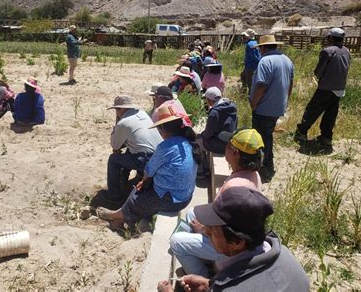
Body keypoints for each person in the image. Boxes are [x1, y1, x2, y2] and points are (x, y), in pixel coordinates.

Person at [160, 186, 310, 292]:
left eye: (212, 231)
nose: (205, 231)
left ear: (237, 242)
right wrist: (210, 284)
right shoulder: (285, 255)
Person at [171, 128, 264, 277]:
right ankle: (201, 256)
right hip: (236, 234)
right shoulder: (253, 175)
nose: (224, 147)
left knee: (176, 241)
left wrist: (204, 230)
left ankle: (204, 278)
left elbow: (228, 230)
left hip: (229, 246)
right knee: (191, 213)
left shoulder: (234, 187)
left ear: (235, 153)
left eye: (228, 145)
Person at [96, 103, 199, 230]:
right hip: (186, 196)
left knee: (137, 195)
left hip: (172, 200)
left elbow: (149, 171)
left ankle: (117, 216)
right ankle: (123, 217)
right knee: (143, 189)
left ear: (163, 129)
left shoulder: (166, 147)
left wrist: (144, 182)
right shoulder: (188, 142)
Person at [294, 28, 350, 147]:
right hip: (339, 89)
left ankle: (301, 133)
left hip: (326, 87)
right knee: (331, 113)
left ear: (330, 38)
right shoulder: (346, 51)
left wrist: (318, 76)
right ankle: (326, 137)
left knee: (312, 110)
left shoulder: (327, 51)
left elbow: (319, 71)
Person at [102, 95, 162, 204]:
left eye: (116, 109)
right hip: (159, 155)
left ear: (119, 109)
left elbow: (115, 146)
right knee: (131, 150)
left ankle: (113, 195)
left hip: (145, 159)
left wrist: (117, 125)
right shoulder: (143, 114)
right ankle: (124, 182)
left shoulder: (123, 123)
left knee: (113, 159)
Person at [250, 35, 293, 181]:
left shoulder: (265, 61)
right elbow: (290, 84)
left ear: (263, 47)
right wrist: (285, 101)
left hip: (264, 108)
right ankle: (269, 164)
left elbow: (261, 85)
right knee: (267, 136)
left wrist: (254, 104)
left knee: (261, 139)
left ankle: (263, 170)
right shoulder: (287, 60)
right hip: (277, 107)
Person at [196, 87, 237, 155]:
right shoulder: (232, 107)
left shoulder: (214, 113)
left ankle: (202, 163)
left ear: (209, 100)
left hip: (220, 145)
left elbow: (208, 133)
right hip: (230, 142)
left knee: (198, 141)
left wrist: (200, 135)